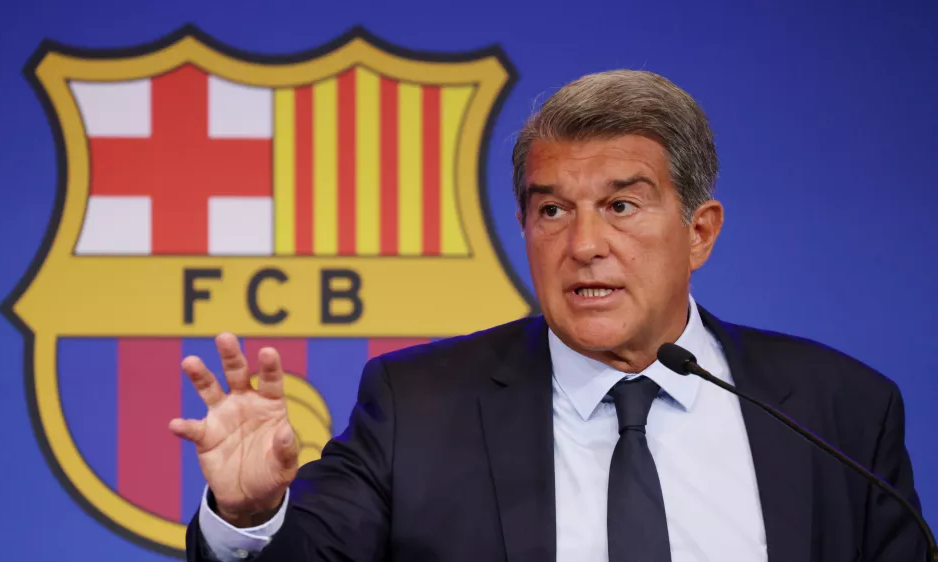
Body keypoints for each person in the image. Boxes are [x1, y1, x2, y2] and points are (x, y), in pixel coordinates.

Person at [169, 70, 927, 561]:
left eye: (622, 206)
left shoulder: (840, 411)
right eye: (553, 210)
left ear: (699, 232)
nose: (584, 244)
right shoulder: (418, 405)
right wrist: (251, 517)